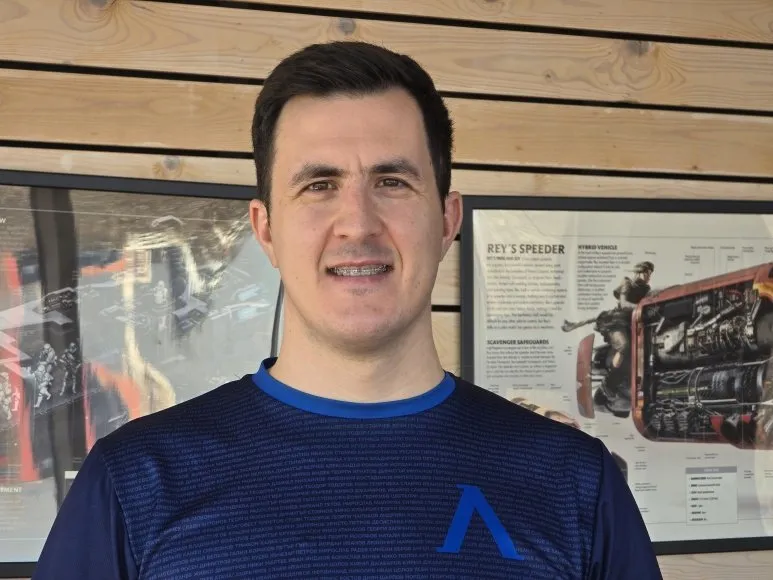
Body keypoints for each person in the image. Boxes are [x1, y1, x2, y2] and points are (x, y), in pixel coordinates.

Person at [32, 41, 662, 579]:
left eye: (392, 182)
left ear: (447, 220)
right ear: (266, 228)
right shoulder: (134, 483)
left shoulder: (574, 483)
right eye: (319, 185)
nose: (357, 223)